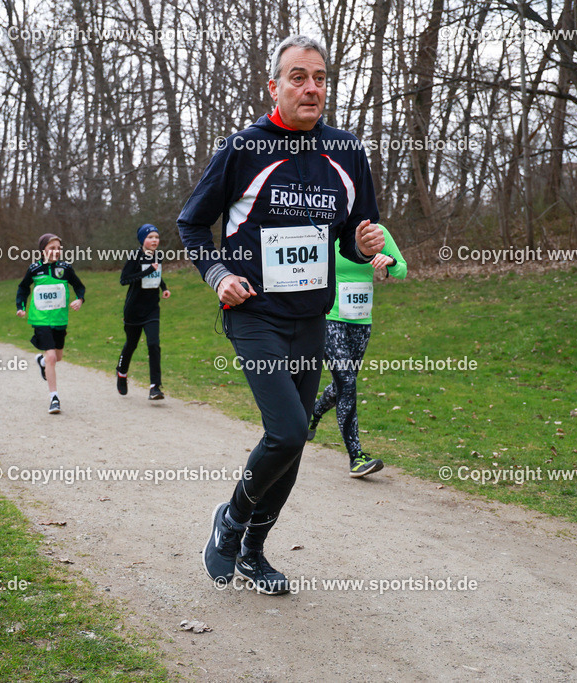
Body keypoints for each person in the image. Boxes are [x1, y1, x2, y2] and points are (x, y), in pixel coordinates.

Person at [179, 35, 384, 595]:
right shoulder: (243, 148)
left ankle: (254, 551)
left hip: (312, 317)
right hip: (254, 312)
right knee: (289, 428)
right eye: (298, 77)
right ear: (274, 86)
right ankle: (231, 520)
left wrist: (366, 247)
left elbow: (351, 237)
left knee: (293, 446)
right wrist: (218, 276)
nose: (311, 87)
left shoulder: (347, 153)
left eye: (319, 77)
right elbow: (192, 224)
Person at [307, 224, 407, 477]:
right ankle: (357, 457)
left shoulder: (376, 232)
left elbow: (402, 270)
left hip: (361, 322)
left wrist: (390, 260)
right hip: (330, 317)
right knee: (347, 383)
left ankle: (313, 414)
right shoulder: (327, 231)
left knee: (343, 385)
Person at [15, 233, 86, 414]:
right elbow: (23, 288)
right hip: (40, 319)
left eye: (58, 248)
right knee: (52, 357)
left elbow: (79, 286)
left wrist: (80, 299)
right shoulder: (34, 269)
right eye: (52, 248)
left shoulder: (65, 268)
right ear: (43, 250)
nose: (56, 252)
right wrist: (21, 306)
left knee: (58, 357)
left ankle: (42, 360)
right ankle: (54, 398)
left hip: (59, 319)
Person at [116, 224, 171, 400]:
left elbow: (157, 273)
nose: (154, 240)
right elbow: (124, 280)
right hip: (133, 309)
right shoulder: (134, 257)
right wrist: (147, 270)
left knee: (153, 344)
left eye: (156, 237)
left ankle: (155, 387)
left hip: (152, 309)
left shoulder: (158, 255)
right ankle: (122, 373)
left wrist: (164, 287)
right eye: (150, 237)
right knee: (131, 345)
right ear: (142, 240)